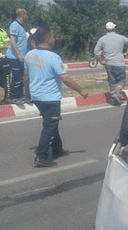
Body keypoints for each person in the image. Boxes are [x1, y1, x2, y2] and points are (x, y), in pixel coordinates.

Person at [24, 27, 88, 167]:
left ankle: (57, 149)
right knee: (50, 125)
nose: (54, 39)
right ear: (48, 40)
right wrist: (81, 90)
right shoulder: (53, 57)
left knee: (52, 121)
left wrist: (27, 93)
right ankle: (41, 156)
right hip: (50, 97)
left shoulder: (29, 55)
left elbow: (26, 76)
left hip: (37, 96)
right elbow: (65, 79)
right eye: (52, 37)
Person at [94, 21, 128, 106]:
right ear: (114, 28)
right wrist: (127, 53)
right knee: (121, 80)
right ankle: (117, 94)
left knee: (112, 81)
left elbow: (96, 51)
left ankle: (114, 97)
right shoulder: (121, 37)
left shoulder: (102, 39)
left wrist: (101, 61)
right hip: (119, 63)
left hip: (108, 63)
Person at [6, 8, 29, 104]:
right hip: (14, 57)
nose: (27, 17)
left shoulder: (21, 26)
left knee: (20, 77)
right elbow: (12, 41)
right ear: (22, 15)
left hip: (20, 57)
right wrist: (19, 54)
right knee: (16, 78)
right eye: (26, 15)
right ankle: (13, 97)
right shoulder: (14, 25)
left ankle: (20, 96)